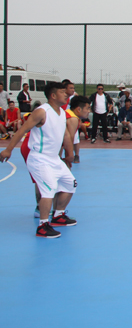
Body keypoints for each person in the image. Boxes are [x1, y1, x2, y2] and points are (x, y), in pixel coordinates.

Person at [0, 82, 77, 238]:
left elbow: (65, 135)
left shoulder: (62, 113)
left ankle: (58, 216)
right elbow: (22, 130)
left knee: (70, 184)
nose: (66, 94)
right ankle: (42, 226)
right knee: (48, 191)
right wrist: (8, 149)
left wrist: (70, 154)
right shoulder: (42, 112)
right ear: (53, 95)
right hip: (39, 159)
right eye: (62, 92)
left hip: (54, 159)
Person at [66, 97, 91, 167]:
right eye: (87, 108)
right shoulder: (73, 119)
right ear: (79, 109)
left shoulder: (67, 113)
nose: (89, 111)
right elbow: (69, 140)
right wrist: (70, 155)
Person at [62, 80, 82, 163]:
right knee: (62, 139)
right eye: (71, 88)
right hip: (63, 120)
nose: (73, 90)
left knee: (75, 139)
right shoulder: (61, 97)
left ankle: (76, 155)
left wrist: (79, 120)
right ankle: (60, 157)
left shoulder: (75, 97)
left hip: (72, 120)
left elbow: (79, 110)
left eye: (73, 88)